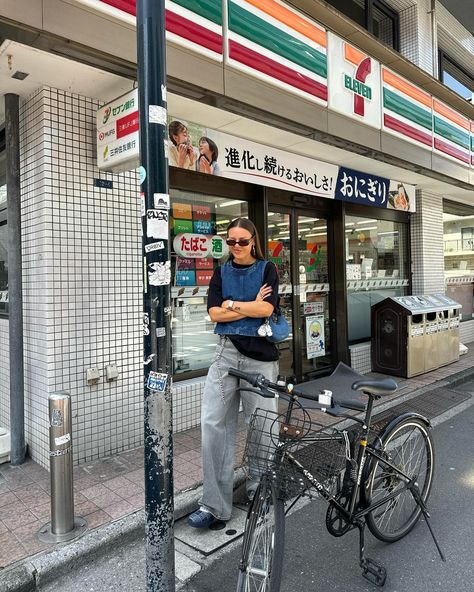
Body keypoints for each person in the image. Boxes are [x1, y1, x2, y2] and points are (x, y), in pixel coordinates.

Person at [187, 218, 280, 528]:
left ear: (253, 240)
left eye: (242, 241)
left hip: (260, 357)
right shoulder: (220, 271)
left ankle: (259, 490)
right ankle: (214, 506)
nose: (236, 247)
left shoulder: (267, 269)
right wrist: (247, 304)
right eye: (231, 242)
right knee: (213, 424)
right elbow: (214, 312)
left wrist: (232, 305)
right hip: (225, 353)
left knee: (263, 427)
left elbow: (266, 310)